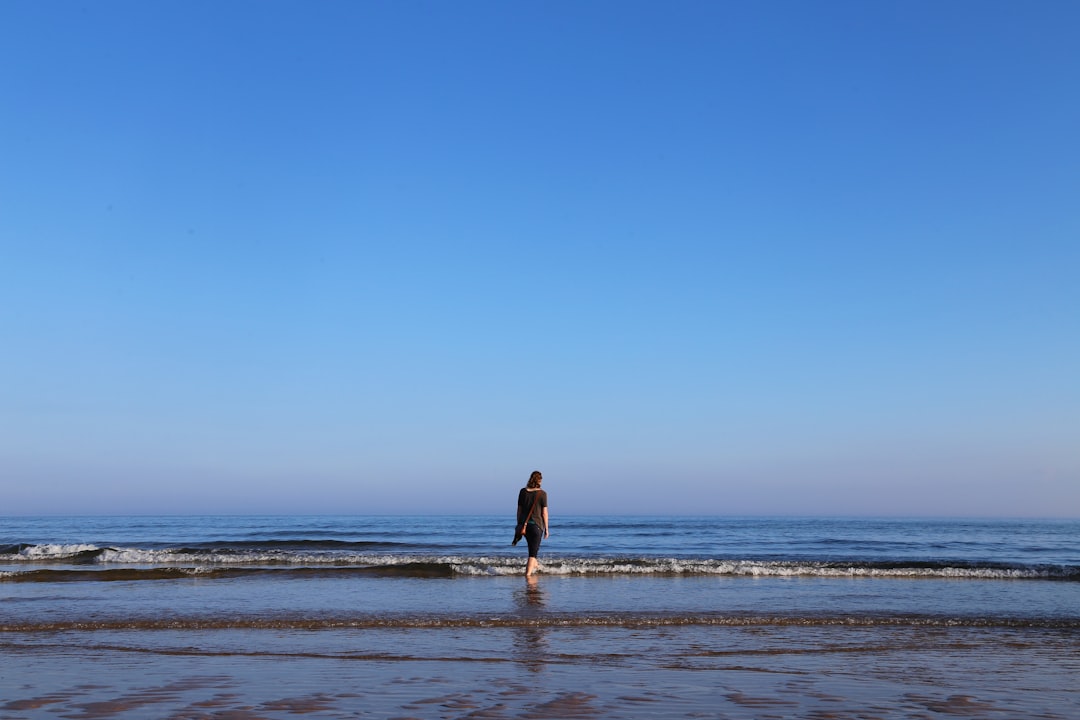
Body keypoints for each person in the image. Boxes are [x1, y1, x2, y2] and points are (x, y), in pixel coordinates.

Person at [516, 470, 549, 577]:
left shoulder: (522, 492)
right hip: (536, 526)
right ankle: (528, 576)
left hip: (524, 526)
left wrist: (519, 524)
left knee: (532, 549)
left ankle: (537, 570)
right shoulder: (542, 494)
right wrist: (547, 529)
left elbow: (519, 510)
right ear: (539, 480)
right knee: (532, 554)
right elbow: (544, 513)